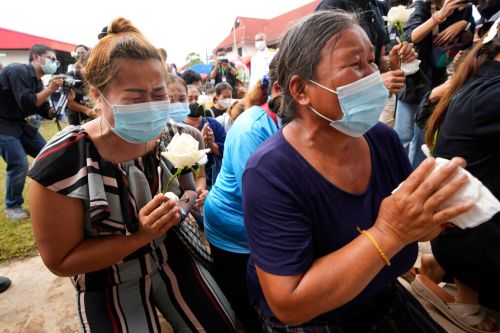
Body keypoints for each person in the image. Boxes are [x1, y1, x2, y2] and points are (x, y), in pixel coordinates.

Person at [242, 10, 473, 332]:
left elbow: (417, 231)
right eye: (354, 64)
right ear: (301, 89)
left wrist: (432, 216)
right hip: (317, 321)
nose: (372, 75)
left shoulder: (383, 140)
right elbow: (289, 303)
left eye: (371, 62)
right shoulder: (270, 172)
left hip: (382, 295)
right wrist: (389, 232)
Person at [28, 18, 235, 332]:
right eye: (136, 98)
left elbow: (190, 189)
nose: (152, 108)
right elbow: (61, 260)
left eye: (159, 93)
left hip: (172, 256)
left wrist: (183, 204)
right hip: (105, 278)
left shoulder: (175, 136)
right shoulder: (63, 163)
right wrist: (141, 236)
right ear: (98, 96)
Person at [417, 18, 500, 333]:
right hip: (475, 248)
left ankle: (447, 271)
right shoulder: (491, 93)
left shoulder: (477, 84)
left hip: (459, 240)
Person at [204, 64, 282, 332]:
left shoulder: (290, 121)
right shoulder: (252, 129)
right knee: (248, 308)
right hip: (234, 230)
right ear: (284, 89)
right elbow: (261, 202)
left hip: (257, 229)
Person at [396, 0, 474, 168]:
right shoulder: (422, 6)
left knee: (423, 139)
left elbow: (469, 41)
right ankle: (398, 175)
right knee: (403, 134)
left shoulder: (464, 10)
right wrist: (439, 16)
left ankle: (416, 177)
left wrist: (463, 25)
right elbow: (411, 36)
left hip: (439, 80)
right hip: (415, 79)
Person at [0, 44, 62, 220]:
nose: (54, 63)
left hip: (20, 124)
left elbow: (42, 108)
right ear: (36, 57)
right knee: (19, 163)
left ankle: (54, 192)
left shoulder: (36, 80)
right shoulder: (18, 71)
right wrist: (50, 89)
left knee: (50, 154)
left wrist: (54, 110)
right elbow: (27, 102)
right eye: (51, 58)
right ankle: (12, 206)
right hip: (3, 124)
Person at [168, 76, 225, 190]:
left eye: (197, 98)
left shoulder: (213, 124)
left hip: (212, 181)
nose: (194, 102)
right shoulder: (175, 129)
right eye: (189, 98)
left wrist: (211, 145)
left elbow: (226, 151)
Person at [65, 51, 98, 125]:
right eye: (89, 69)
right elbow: (68, 101)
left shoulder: (99, 75)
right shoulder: (70, 77)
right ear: (81, 65)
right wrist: (86, 110)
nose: (92, 73)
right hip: (76, 117)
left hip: (95, 114)